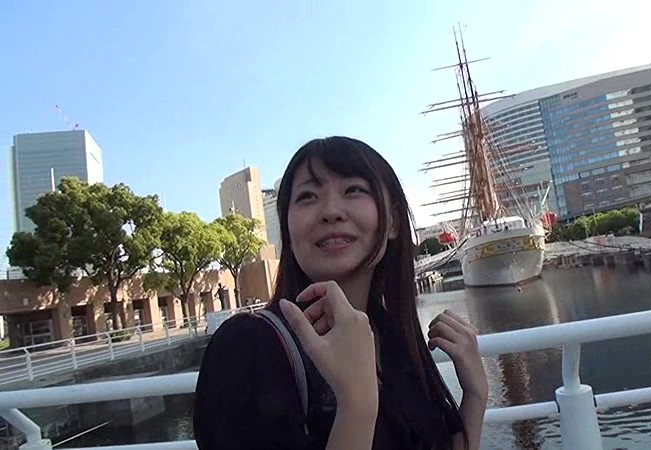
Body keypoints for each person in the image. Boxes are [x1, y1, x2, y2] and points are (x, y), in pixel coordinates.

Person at [194, 137, 488, 449]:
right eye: (308, 196)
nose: (331, 212)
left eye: (354, 190)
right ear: (288, 230)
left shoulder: (393, 334)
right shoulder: (247, 348)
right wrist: (356, 405)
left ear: (393, 222)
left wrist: (475, 395)